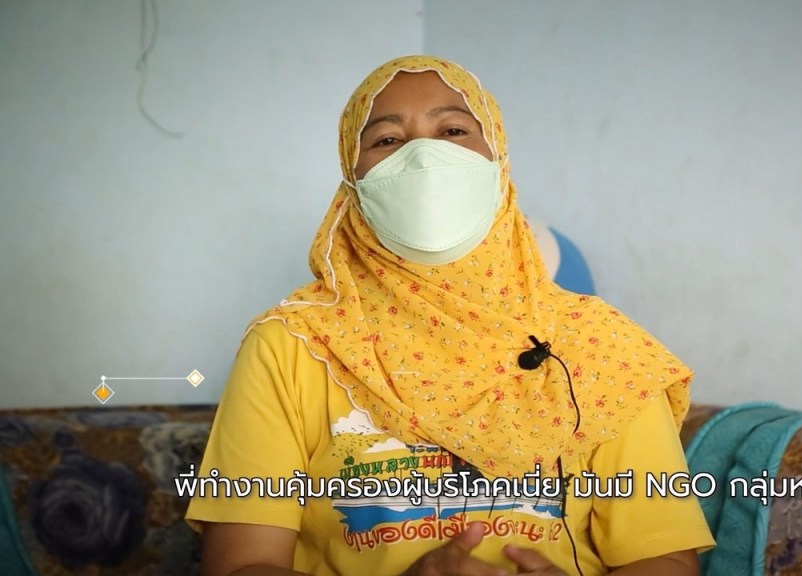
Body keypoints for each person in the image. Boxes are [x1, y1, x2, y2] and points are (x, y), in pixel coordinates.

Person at [185, 55, 714, 576]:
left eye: (453, 131)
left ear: (498, 158)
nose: (422, 157)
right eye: (387, 140)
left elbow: (664, 559)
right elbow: (241, 566)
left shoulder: (601, 345)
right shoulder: (292, 344)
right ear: (352, 178)